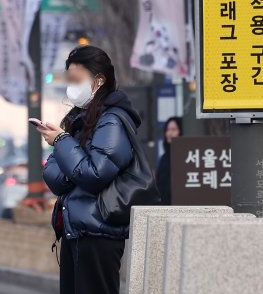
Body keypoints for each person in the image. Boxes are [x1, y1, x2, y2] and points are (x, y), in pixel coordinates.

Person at [39, 45, 140, 294]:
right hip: (76, 231)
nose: (71, 87)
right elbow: (55, 178)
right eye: (69, 80)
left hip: (99, 234)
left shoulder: (112, 121)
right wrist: (70, 154)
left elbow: (94, 174)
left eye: (77, 80)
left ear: (98, 80)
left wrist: (62, 143)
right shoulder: (78, 120)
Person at [155, 117, 183, 205]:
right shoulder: (164, 157)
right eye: (167, 129)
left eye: (173, 129)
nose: (169, 133)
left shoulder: (184, 156)